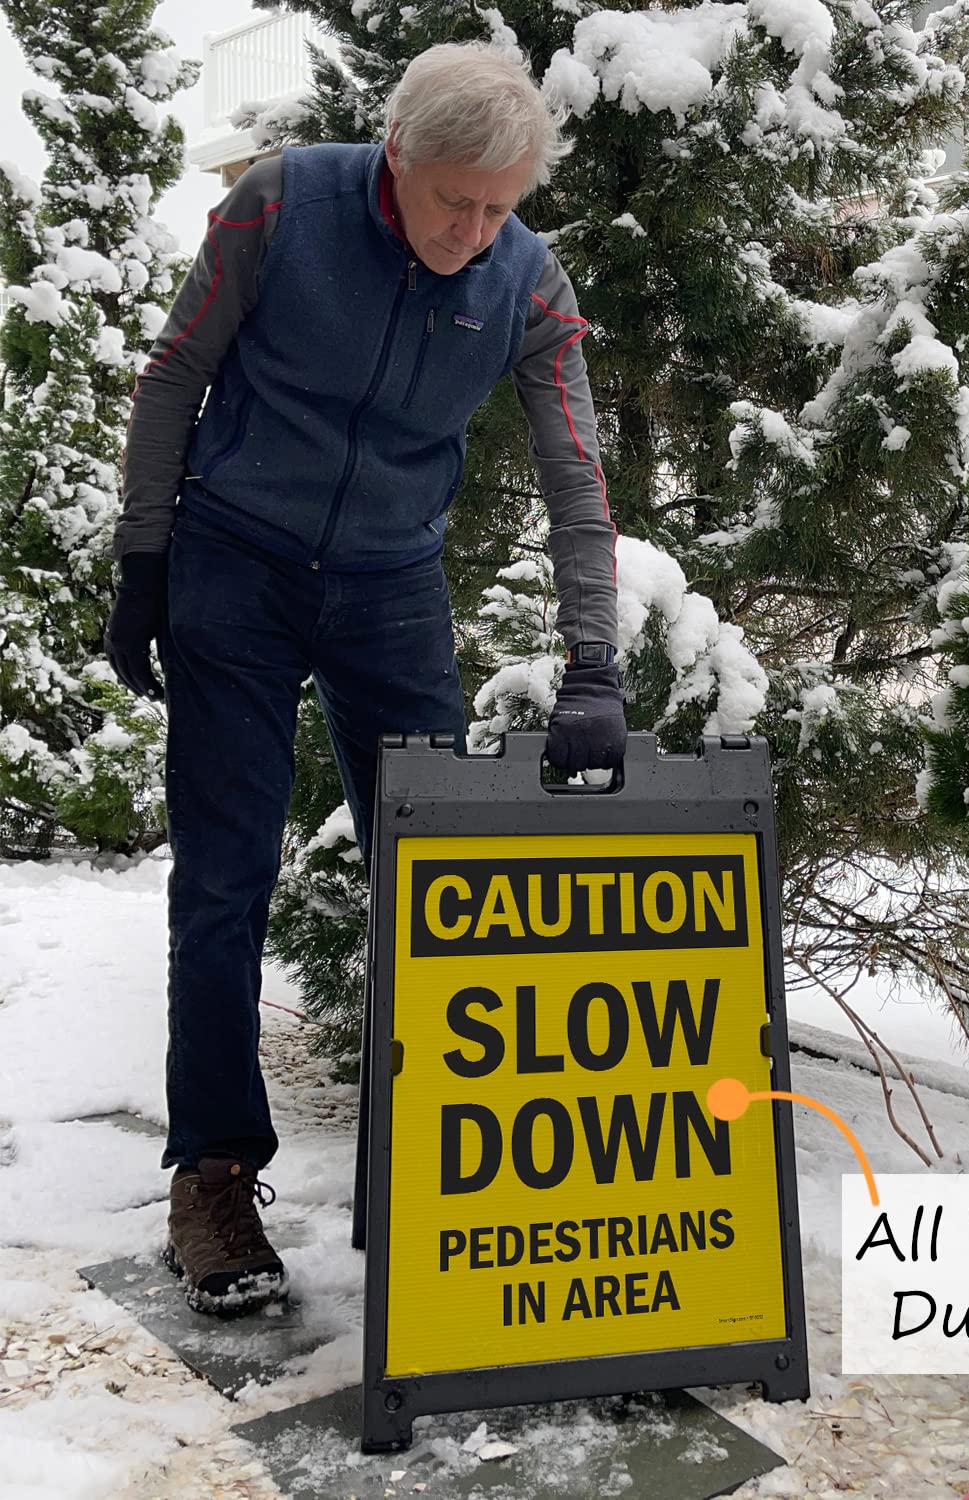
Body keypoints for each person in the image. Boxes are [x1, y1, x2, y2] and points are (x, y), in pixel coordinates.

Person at [104, 42, 625, 1316]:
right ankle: (214, 1177)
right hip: (237, 564)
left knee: (444, 873)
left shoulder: (526, 280)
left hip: (392, 589)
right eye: (458, 198)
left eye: (501, 206)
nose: (474, 229)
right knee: (225, 877)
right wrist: (143, 557)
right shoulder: (280, 203)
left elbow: (573, 471)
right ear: (398, 152)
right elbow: (176, 372)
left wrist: (595, 655)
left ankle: (434, 1168)